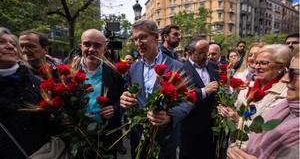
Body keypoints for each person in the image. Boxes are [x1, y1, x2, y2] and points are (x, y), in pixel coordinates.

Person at [120, 19, 192, 159]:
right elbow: (129, 93)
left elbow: (188, 100)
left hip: (165, 139)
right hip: (138, 138)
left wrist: (170, 116)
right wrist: (124, 99)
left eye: (143, 37)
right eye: (135, 39)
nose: (138, 43)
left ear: (156, 37)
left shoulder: (177, 67)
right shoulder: (133, 68)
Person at [227, 48, 299, 159]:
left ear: (280, 66)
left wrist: (238, 120)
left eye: (263, 63)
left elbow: (266, 132)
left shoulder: (287, 95)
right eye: (256, 62)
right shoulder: (246, 88)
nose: (257, 67)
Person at [0, 28, 59, 159]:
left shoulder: (37, 82)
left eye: (13, 44)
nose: (10, 46)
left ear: (45, 50)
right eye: (1, 42)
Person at [74, 29, 123, 158]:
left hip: (106, 138)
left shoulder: (115, 74)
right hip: (77, 138)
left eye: (97, 45)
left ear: (105, 49)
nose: (91, 49)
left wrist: (115, 108)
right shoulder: (69, 73)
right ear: (81, 46)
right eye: (87, 44)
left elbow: (123, 101)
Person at [180, 37, 219, 159]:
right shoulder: (182, 69)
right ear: (190, 53)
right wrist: (203, 91)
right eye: (201, 53)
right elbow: (181, 95)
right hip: (190, 128)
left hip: (210, 127)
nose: (206, 56)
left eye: (206, 53)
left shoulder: (213, 67)